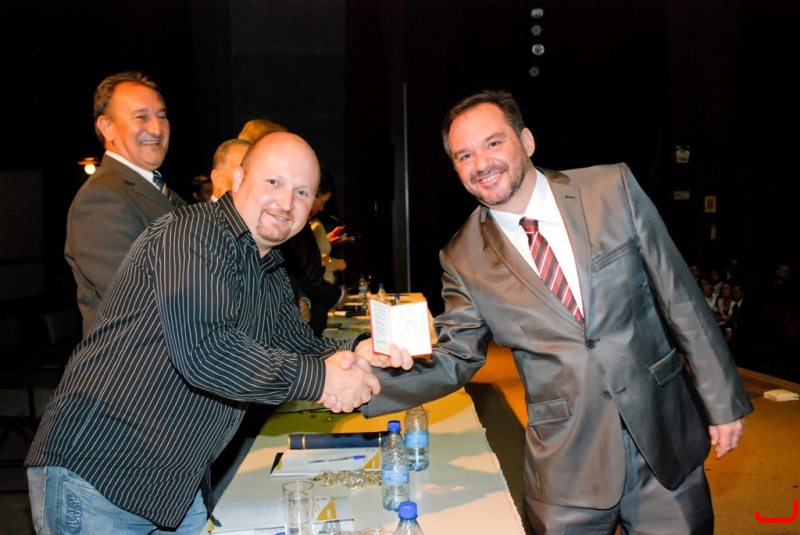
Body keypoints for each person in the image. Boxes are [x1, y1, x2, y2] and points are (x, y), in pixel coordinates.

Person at [360, 90, 753, 534]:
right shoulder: (462, 256)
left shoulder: (612, 188)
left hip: (663, 441)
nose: (481, 163)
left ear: (526, 141)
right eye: (464, 155)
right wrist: (364, 385)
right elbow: (456, 357)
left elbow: (679, 296)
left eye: (493, 143)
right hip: (566, 467)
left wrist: (722, 401)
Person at [26, 133, 408, 533]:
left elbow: (299, 345)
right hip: (100, 474)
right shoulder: (194, 232)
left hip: (174, 483)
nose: (285, 202)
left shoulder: (269, 264)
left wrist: (358, 351)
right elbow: (206, 352)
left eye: (301, 192)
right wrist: (324, 379)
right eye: (273, 182)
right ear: (238, 179)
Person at [65, 71, 186, 335]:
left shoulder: (166, 194)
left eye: (162, 116)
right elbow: (139, 301)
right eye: (141, 117)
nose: (156, 129)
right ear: (106, 127)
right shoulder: (100, 200)